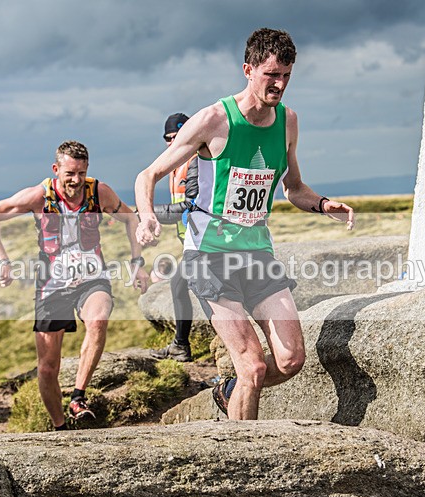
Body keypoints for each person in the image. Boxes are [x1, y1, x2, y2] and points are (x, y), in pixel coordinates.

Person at [135, 28, 355, 420]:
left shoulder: (288, 121)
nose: (280, 84)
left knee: (290, 359)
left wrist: (322, 204)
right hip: (209, 256)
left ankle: (229, 393)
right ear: (248, 69)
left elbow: (293, 186)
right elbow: (147, 175)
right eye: (272, 74)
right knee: (252, 365)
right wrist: (148, 216)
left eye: (286, 75)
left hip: (256, 254)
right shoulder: (213, 120)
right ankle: (241, 464)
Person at [0, 140, 150, 430]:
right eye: (70, 173)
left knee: (98, 319)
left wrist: (137, 262)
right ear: (56, 169)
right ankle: (61, 426)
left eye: (82, 173)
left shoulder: (99, 192)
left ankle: (78, 398)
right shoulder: (39, 196)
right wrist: (1, 260)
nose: (76, 180)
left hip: (91, 277)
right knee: (47, 368)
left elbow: (131, 218)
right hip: (52, 285)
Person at [149, 113, 198, 363]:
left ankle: (232, 358)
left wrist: (148, 215)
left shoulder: (198, 161)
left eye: (177, 137)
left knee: (188, 289)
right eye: (167, 138)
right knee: (179, 286)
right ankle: (181, 345)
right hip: (191, 243)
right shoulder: (175, 164)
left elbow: (191, 206)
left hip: (207, 244)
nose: (172, 142)